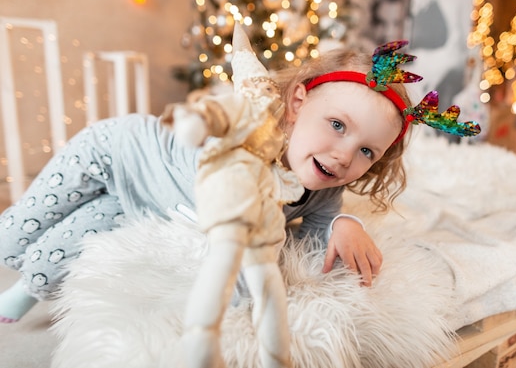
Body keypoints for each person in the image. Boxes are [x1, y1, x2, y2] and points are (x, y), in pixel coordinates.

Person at [0, 38, 479, 324]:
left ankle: (26, 290)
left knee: (44, 266)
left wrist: (342, 224)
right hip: (114, 156)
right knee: (10, 239)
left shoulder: (326, 182)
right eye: (337, 125)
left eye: (367, 151)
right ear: (296, 104)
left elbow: (311, 229)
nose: (343, 155)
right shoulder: (251, 133)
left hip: (143, 204)